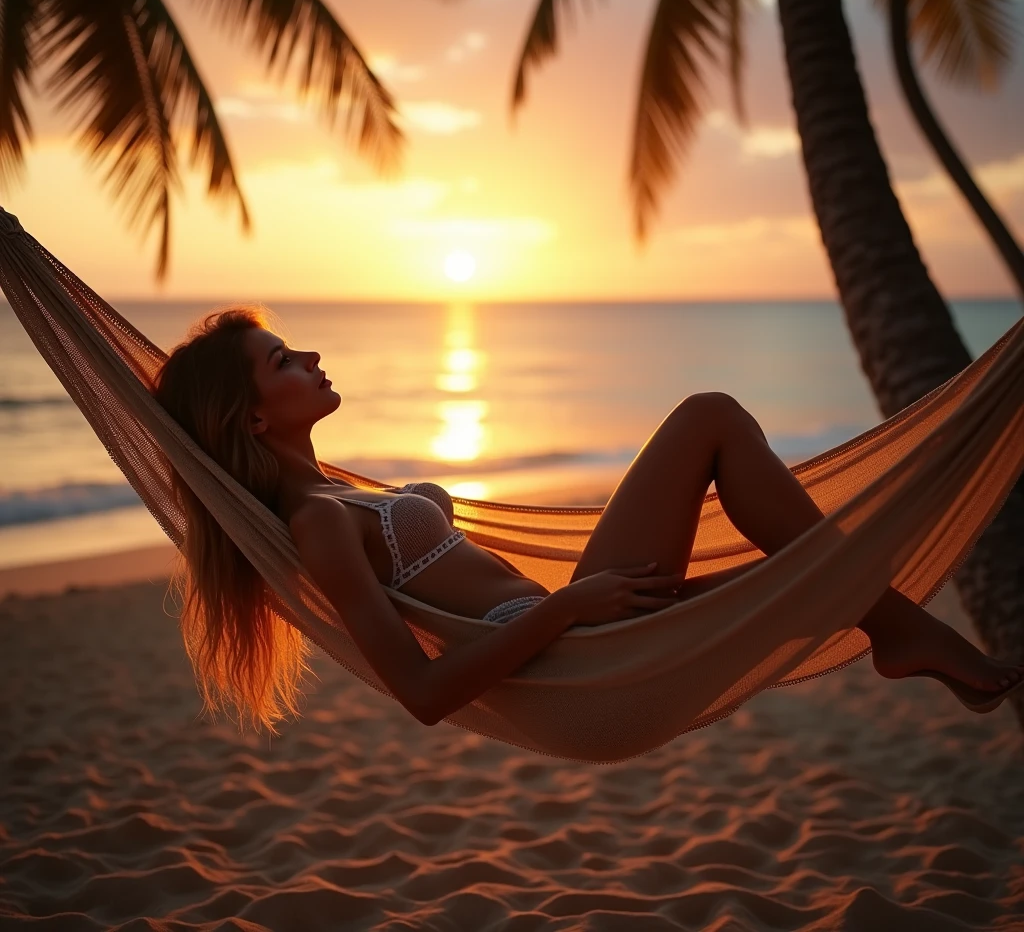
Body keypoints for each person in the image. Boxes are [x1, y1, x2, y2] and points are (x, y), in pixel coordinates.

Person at [154, 307, 1024, 732]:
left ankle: (902, 634)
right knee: (710, 420)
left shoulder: (336, 494)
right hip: (572, 661)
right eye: (282, 360)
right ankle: (911, 636)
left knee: (804, 570)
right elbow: (421, 694)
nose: (308, 356)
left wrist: (568, 602)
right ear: (255, 417)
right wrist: (567, 609)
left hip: (578, 630)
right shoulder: (315, 524)